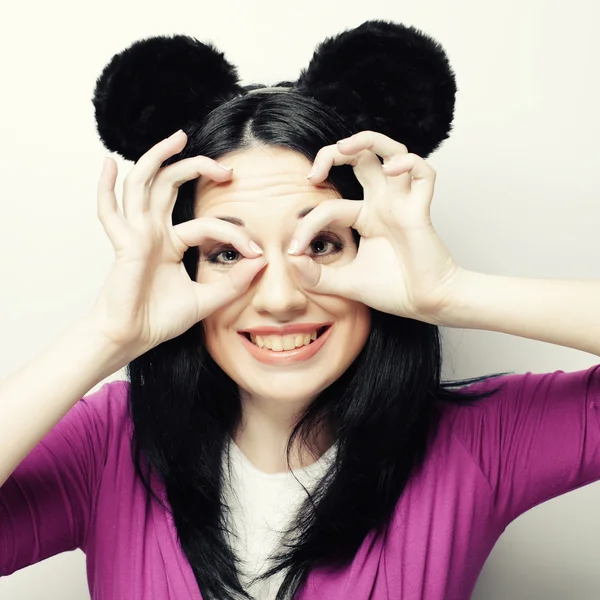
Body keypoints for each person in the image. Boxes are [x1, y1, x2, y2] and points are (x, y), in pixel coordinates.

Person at [1, 19, 599, 600]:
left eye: (322, 243)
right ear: (182, 267)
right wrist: (106, 335)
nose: (281, 297)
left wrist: (448, 291)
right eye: (226, 252)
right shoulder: (107, 445)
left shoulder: (478, 442)